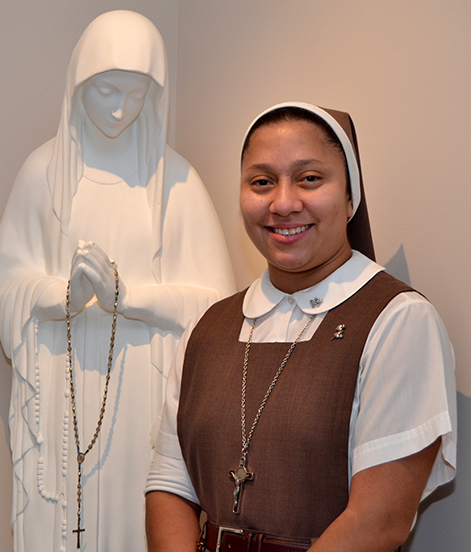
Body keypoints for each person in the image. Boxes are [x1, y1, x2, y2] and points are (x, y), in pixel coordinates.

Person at [145, 102, 456, 552]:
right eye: (262, 181)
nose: (284, 203)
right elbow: (169, 485)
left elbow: (380, 520)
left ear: (350, 197)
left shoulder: (399, 321)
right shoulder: (206, 327)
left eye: (310, 178)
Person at [0, 10, 235, 552]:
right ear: (78, 83)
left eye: (138, 93)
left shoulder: (179, 185)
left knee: (137, 513)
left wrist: (132, 298)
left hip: (141, 391)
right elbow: (1, 284)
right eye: (105, 90)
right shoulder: (42, 176)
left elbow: (220, 309)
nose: (121, 109)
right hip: (61, 386)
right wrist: (61, 298)